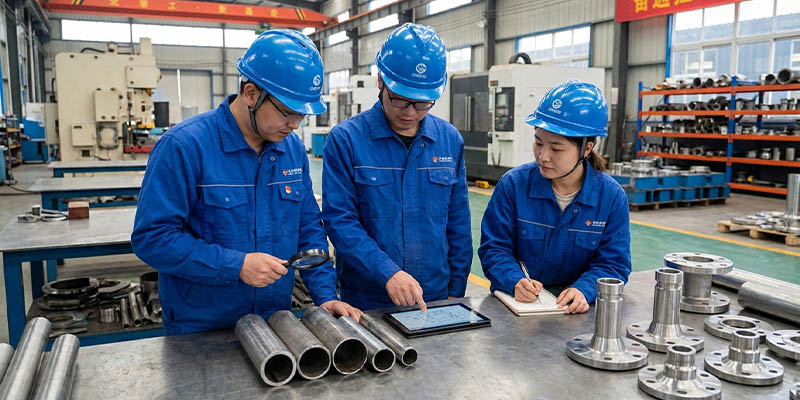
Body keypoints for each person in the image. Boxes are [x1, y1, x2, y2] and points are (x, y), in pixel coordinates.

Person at [131, 29, 360, 335]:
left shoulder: (291, 150)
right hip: (202, 329)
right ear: (251, 93)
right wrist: (235, 266)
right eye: (288, 112)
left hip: (274, 324)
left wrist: (326, 296)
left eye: (302, 115)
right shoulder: (185, 146)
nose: (295, 125)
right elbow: (152, 238)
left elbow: (308, 230)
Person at [322, 23, 472, 311]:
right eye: (401, 100)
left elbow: (458, 224)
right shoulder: (347, 140)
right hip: (369, 298)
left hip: (436, 296)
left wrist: (456, 291)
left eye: (423, 103)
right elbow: (340, 222)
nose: (411, 113)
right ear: (381, 82)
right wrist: (386, 272)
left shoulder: (449, 140)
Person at [479, 80, 631, 314]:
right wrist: (514, 280)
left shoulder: (610, 197)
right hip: (518, 309)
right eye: (538, 143)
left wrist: (585, 289)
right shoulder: (514, 185)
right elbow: (494, 248)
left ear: (587, 149)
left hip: (575, 313)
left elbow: (614, 263)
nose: (543, 156)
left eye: (556, 149)